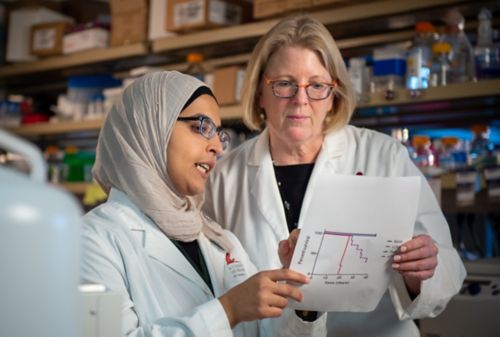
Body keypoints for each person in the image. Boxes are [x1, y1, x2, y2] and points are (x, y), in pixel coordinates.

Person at [203, 15, 466, 337]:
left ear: (333, 95)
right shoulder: (224, 177)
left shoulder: (383, 157)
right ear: (260, 91)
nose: (301, 100)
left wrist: (420, 273)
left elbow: (447, 269)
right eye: (284, 84)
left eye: (316, 85)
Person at [80, 70, 327, 337]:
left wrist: (300, 295)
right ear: (150, 128)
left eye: (219, 134)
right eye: (201, 127)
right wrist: (228, 310)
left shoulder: (218, 241)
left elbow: (264, 331)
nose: (218, 148)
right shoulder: (91, 240)